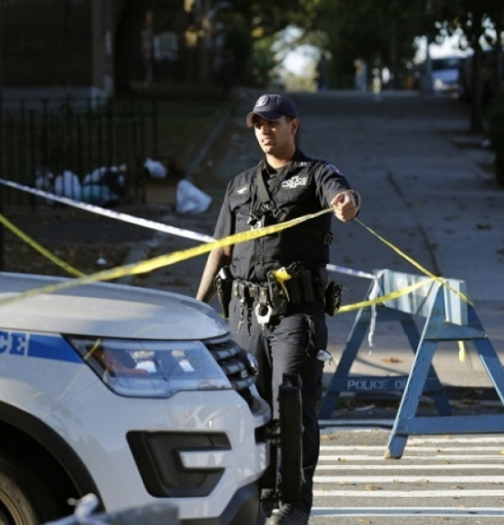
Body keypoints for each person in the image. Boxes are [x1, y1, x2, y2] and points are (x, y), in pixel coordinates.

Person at [195, 94, 359, 525]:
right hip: (244, 316)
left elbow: (342, 194)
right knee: (250, 407)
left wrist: (346, 202)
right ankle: (262, 498)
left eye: (273, 123)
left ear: (293, 126)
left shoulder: (315, 174)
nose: (264, 131)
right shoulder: (240, 185)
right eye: (258, 124)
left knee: (292, 404)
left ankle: (294, 503)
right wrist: (195, 308)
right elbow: (220, 251)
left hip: (295, 315)